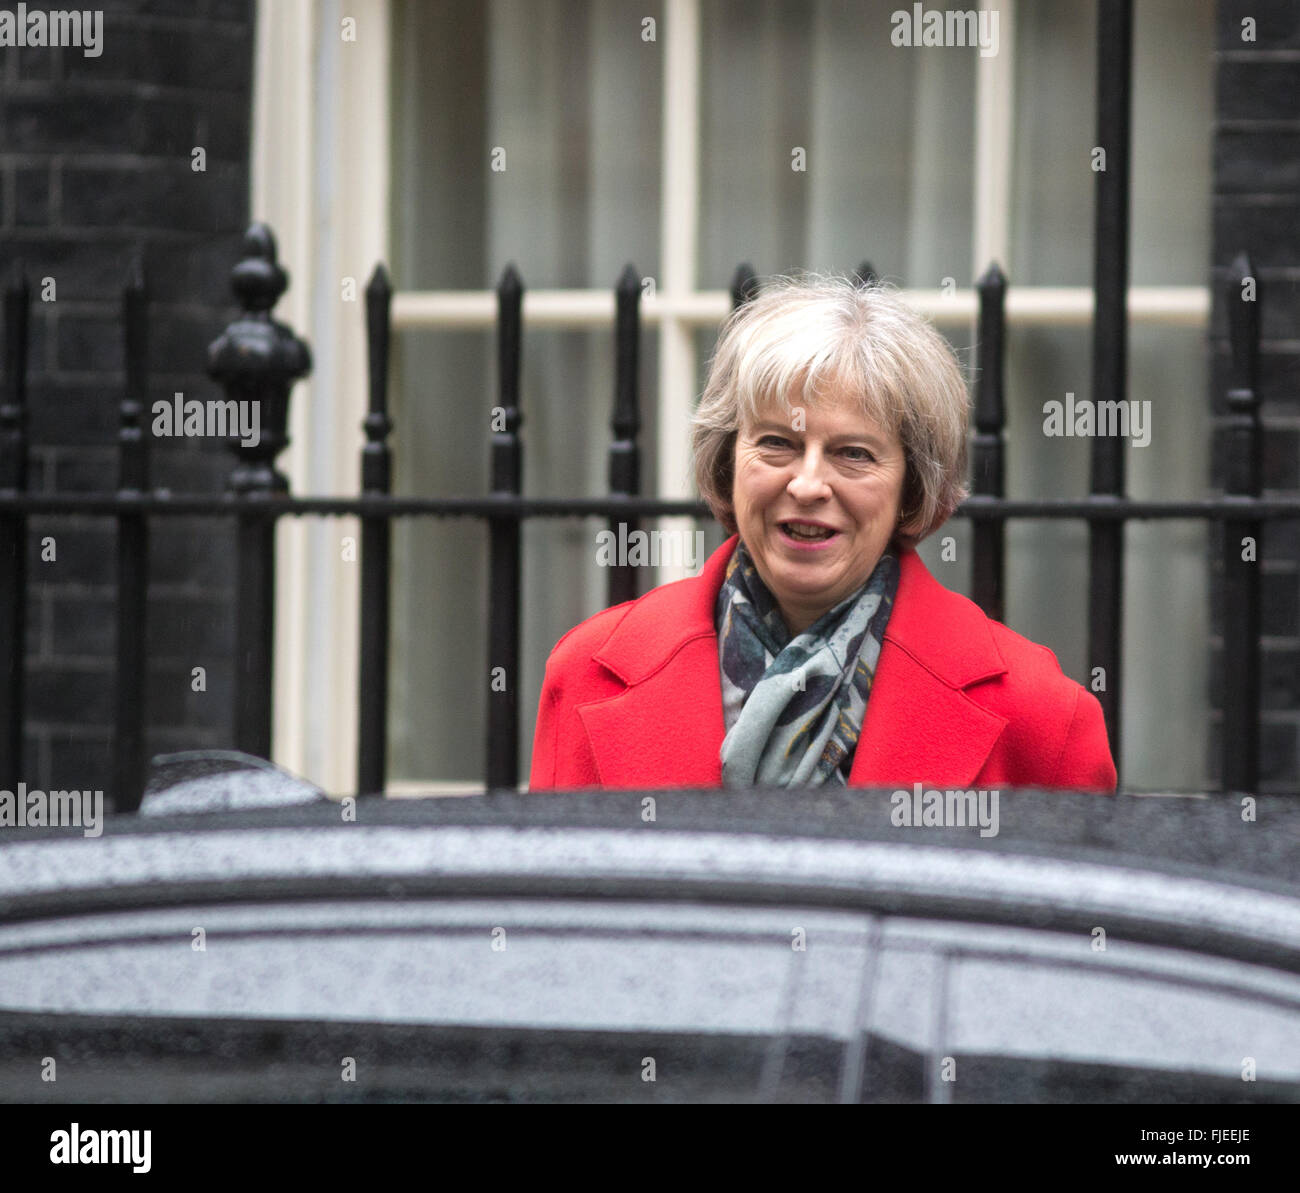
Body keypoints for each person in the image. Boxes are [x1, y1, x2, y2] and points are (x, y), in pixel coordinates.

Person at [529, 275, 1116, 792]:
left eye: (853, 453)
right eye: (777, 443)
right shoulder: (584, 675)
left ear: (912, 486)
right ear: (727, 461)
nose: (809, 484)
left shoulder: (1043, 717)